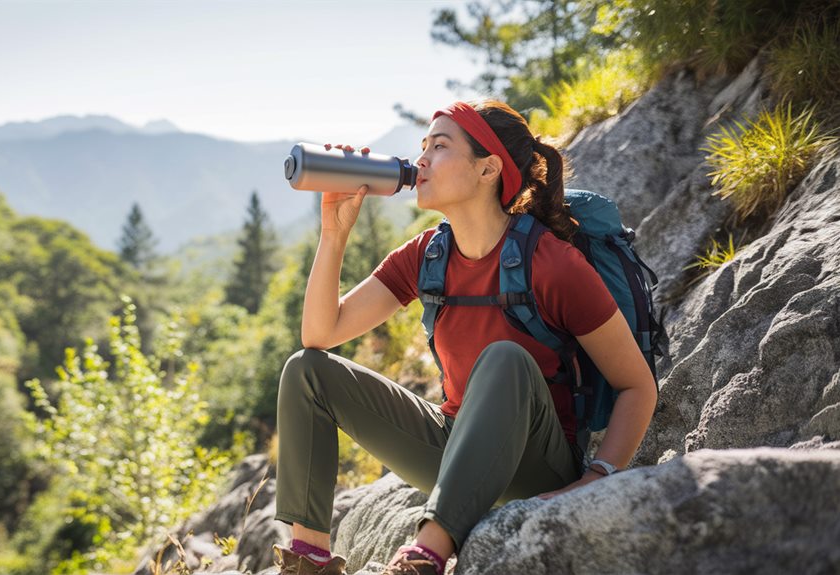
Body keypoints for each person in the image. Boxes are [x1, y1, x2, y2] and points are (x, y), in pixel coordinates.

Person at [271, 99, 657, 575]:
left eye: (440, 146)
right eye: (422, 147)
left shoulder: (552, 264)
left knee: (505, 360)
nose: (422, 160)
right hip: (453, 453)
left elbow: (637, 385)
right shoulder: (426, 256)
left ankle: (425, 556)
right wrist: (333, 233)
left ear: (487, 168)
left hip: (535, 466)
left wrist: (598, 477)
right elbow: (319, 333)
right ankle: (308, 559)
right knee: (307, 370)